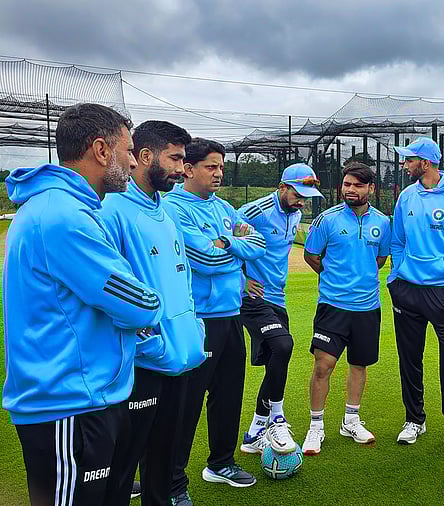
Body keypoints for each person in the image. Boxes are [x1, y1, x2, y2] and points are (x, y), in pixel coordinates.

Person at [3, 102, 164, 506]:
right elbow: (140, 304)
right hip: (67, 405)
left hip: (81, 399)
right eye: (127, 151)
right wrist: (150, 306)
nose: (132, 162)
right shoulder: (64, 215)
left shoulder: (66, 208)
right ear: (101, 150)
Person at [98, 121, 207, 506]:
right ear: (145, 157)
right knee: (122, 469)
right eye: (175, 158)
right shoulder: (112, 210)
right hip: (141, 367)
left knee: (163, 464)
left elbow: (184, 281)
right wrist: (152, 347)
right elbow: (110, 295)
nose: (182, 168)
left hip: (179, 359)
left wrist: (193, 330)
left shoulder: (166, 211)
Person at [165, 138, 265, 504]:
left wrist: (226, 244)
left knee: (227, 396)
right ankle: (173, 483)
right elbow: (204, 260)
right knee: (185, 405)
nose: (219, 173)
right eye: (211, 166)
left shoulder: (224, 206)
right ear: (188, 169)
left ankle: (220, 463)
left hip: (230, 315)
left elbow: (258, 243)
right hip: (197, 320)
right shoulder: (174, 207)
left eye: (221, 166)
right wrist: (231, 248)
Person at [387, 136, 444, 456]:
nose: (404, 164)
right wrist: (396, 278)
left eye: (409, 159)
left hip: (442, 294)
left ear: (425, 163)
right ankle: (414, 419)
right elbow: (397, 241)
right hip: (407, 291)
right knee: (410, 359)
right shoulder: (406, 197)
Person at [300, 162, 390, 455]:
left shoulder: (383, 222)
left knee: (359, 364)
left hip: (367, 308)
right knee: (323, 365)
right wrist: (335, 278)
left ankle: (351, 420)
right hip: (333, 306)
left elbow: (380, 259)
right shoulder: (326, 220)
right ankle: (316, 427)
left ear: (371, 189)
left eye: (358, 185)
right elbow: (312, 255)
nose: (350, 190)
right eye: (347, 184)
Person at [237, 163, 323, 456]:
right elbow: (227, 245)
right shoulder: (254, 211)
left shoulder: (296, 214)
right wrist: (242, 280)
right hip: (251, 298)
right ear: (282, 187)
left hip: (278, 299)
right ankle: (276, 417)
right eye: (298, 193)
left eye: (307, 196)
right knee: (283, 345)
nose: (302, 201)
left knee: (277, 356)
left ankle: (254, 432)